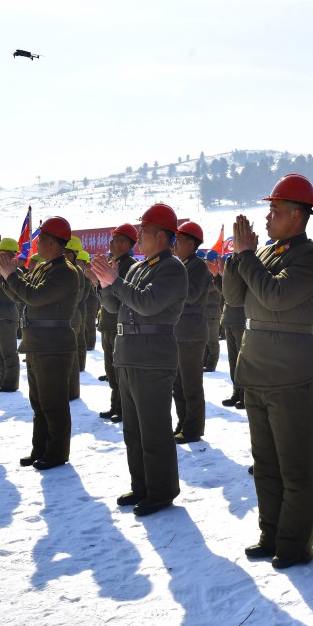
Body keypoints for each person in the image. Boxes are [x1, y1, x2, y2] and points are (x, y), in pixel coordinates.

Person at [221, 173, 313, 569]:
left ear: (298, 216)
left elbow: (275, 295)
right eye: (268, 209)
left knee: (294, 466)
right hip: (257, 364)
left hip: (291, 371)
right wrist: (239, 257)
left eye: (276, 210)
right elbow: (234, 298)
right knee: (264, 462)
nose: (268, 217)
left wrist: (248, 257)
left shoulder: (311, 256)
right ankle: (271, 533)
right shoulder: (264, 254)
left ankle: (295, 543)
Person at [92, 203, 187, 516]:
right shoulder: (139, 267)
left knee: (154, 429)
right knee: (133, 430)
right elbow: (111, 304)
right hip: (130, 353)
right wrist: (106, 282)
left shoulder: (172, 268)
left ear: (161, 236)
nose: (138, 237)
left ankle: (161, 491)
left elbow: (147, 304)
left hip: (153, 356)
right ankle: (142, 485)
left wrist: (116, 282)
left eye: (144, 232)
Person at [0, 217, 79, 468]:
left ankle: (56, 453)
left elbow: (34, 297)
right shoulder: (45, 268)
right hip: (38, 343)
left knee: (53, 403)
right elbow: (22, 296)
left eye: (42, 238)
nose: (37, 243)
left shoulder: (65, 272)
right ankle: (40, 449)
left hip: (53, 345)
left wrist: (12, 276)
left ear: (53, 243)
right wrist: (6, 277)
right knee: (39, 403)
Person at [171, 221, 213, 444]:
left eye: (179, 240)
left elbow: (193, 295)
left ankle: (193, 428)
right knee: (178, 383)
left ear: (191, 243)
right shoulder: (184, 265)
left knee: (191, 384)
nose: (175, 244)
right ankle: (183, 422)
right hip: (180, 332)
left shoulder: (198, 266)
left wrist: (170, 287)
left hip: (191, 333)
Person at [97, 224, 138, 423]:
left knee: (119, 371)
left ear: (124, 243)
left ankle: (121, 408)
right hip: (107, 322)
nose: (111, 243)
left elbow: (122, 294)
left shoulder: (130, 266)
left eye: (114, 240)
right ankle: (115, 405)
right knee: (111, 370)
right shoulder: (113, 262)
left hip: (118, 323)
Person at [0, 237, 22, 393]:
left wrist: (6, 275)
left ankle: (11, 382)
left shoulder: (16, 273)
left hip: (7, 317)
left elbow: (15, 295)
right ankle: (2, 380)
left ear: (11, 256)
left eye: (3, 254)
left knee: (8, 352)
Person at [220, 252, 247, 408]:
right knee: (233, 360)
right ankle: (236, 392)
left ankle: (244, 395)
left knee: (241, 361)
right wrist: (219, 276)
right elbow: (224, 294)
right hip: (230, 319)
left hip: (241, 319)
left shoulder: (245, 263)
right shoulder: (232, 265)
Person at [63, 236, 88, 399]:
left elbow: (76, 297)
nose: (64, 255)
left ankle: (72, 392)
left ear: (74, 254)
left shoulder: (75, 271)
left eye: (67, 253)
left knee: (71, 359)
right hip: (67, 319)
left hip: (72, 319)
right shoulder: (66, 269)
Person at [203, 251, 223, 372]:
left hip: (212, 314)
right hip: (205, 313)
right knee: (205, 341)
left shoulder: (217, 276)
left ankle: (211, 365)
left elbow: (210, 288)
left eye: (208, 261)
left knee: (212, 341)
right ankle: (205, 362)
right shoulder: (207, 275)